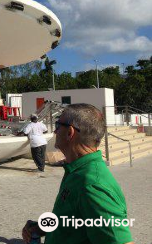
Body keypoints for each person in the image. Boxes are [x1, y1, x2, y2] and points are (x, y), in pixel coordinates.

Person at [22, 104, 134, 244]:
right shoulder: (77, 169)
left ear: (70, 132)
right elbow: (72, 217)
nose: (55, 131)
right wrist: (41, 227)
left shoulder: (93, 186)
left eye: (58, 125)